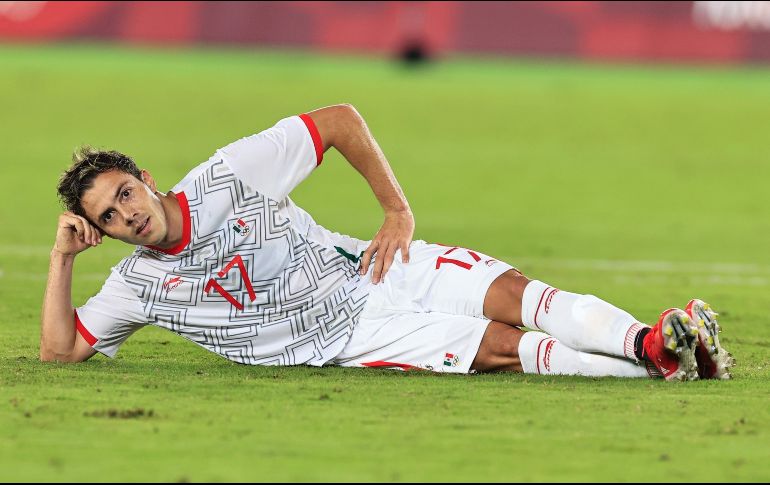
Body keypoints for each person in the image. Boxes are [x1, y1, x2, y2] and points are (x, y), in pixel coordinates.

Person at [40, 104, 734, 381]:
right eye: (108, 216)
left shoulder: (229, 175)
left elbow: (339, 120)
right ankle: (668, 360)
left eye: (124, 192)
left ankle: (649, 342)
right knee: (504, 346)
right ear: (104, 232)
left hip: (370, 266)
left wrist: (396, 210)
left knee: (519, 295)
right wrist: (61, 259)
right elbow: (61, 350)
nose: (126, 214)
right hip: (349, 336)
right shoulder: (137, 285)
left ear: (145, 179)